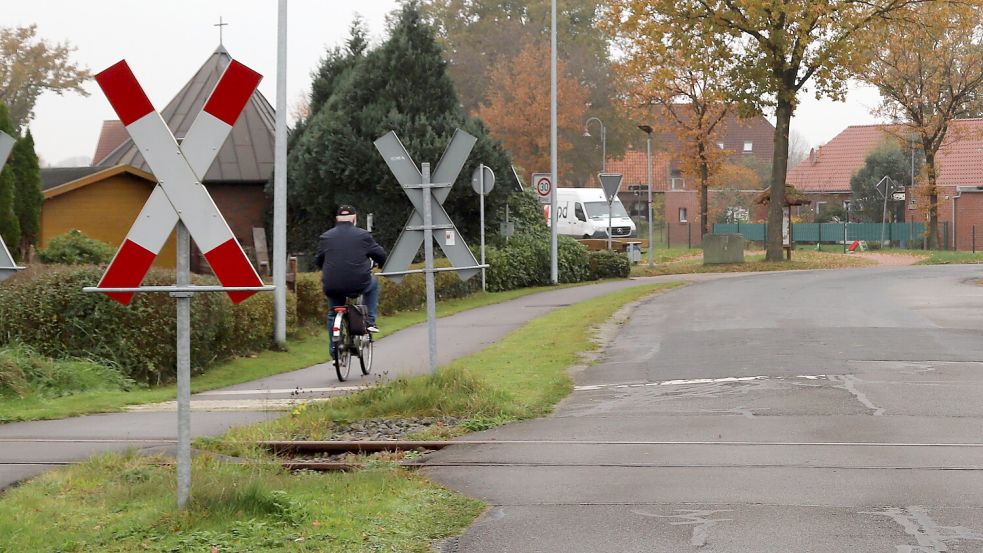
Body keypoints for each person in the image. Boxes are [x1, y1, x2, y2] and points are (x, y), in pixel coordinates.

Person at [315, 205, 387, 342]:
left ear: (337, 219)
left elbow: (318, 260)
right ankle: (369, 321)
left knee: (333, 312)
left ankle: (335, 352)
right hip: (358, 283)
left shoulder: (326, 237)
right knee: (374, 285)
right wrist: (382, 265)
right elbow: (380, 254)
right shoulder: (363, 235)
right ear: (354, 219)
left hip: (333, 284)